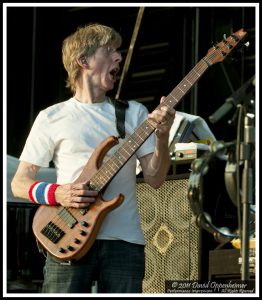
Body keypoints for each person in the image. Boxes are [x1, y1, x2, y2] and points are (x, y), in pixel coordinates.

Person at [11, 23, 176, 293]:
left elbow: (156, 179)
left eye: (118, 52)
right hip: (67, 236)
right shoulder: (51, 117)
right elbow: (19, 183)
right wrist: (58, 194)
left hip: (124, 241)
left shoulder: (133, 113)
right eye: (109, 51)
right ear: (83, 60)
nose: (119, 58)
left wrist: (161, 137)